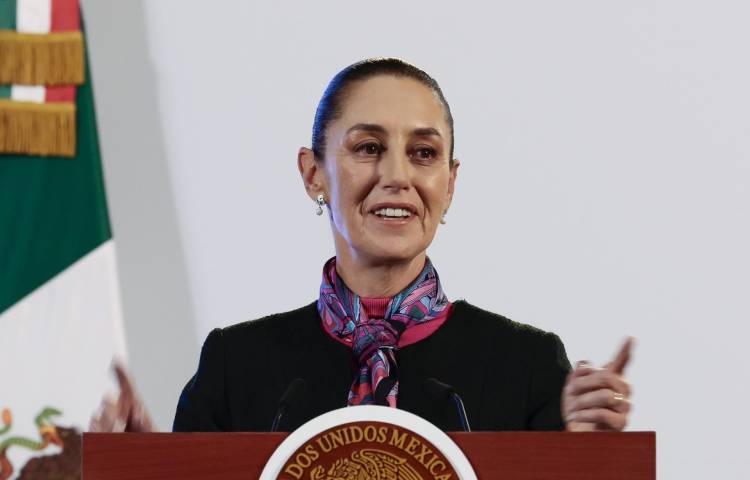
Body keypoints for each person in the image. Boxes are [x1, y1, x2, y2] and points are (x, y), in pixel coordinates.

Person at [90, 58, 632, 434]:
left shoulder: (528, 366)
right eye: (369, 147)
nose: (397, 176)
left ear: (450, 183)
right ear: (313, 175)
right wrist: (140, 467)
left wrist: (583, 455)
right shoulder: (236, 366)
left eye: (423, 153)